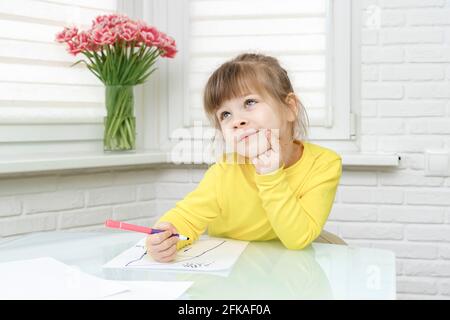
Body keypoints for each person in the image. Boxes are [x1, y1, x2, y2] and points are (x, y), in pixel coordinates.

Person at [146, 53, 342, 262]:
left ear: (289, 108)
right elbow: (186, 218)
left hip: (287, 268)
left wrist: (270, 176)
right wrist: (164, 237)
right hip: (232, 267)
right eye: (225, 114)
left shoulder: (323, 164)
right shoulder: (226, 170)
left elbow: (298, 239)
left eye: (249, 102)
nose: (236, 121)